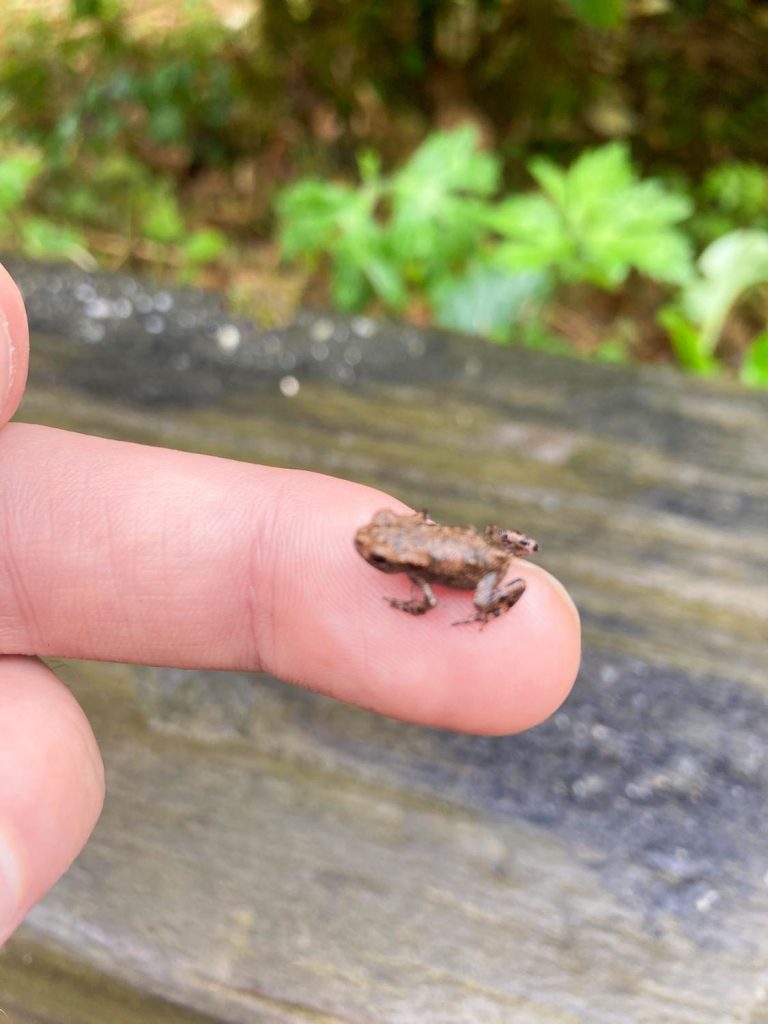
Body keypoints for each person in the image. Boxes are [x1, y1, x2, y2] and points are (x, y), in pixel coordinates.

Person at [0, 261, 580, 945]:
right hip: (471, 543)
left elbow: (425, 599)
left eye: (381, 556)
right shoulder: (413, 551)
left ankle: (500, 600)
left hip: (477, 564)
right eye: (379, 549)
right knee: (495, 546)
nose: (374, 558)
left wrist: (453, 607)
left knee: (503, 575)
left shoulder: (422, 574)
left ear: (404, 557)